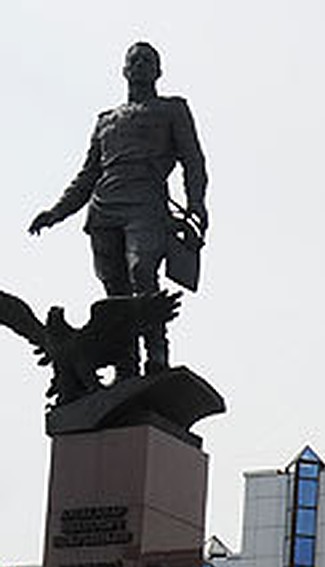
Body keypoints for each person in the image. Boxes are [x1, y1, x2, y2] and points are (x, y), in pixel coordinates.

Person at [28, 42, 207, 376]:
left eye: (148, 60)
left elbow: (193, 161)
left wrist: (196, 203)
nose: (140, 65)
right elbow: (87, 176)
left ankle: (157, 355)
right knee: (114, 292)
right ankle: (127, 364)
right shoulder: (105, 120)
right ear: (124, 70)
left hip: (147, 204)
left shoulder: (173, 109)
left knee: (142, 271)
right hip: (103, 209)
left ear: (158, 71)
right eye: (134, 60)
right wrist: (55, 212)